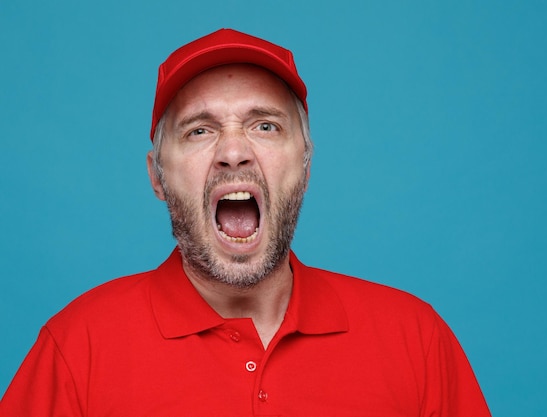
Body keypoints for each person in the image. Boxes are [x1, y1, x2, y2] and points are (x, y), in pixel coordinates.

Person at [0, 28, 491, 416]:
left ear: (305, 165)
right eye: (199, 130)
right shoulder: (76, 348)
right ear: (157, 175)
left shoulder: (415, 341)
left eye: (265, 126)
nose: (233, 152)